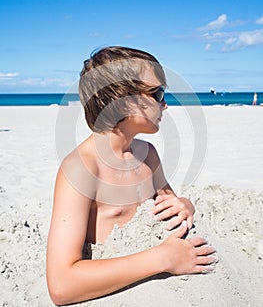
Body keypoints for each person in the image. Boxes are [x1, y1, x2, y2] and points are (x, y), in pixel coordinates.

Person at [46, 46, 216, 305]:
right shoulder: (81, 170)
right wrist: (163, 259)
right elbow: (61, 285)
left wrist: (186, 206)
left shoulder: (148, 155)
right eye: (158, 93)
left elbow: (171, 202)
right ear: (122, 98)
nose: (165, 104)